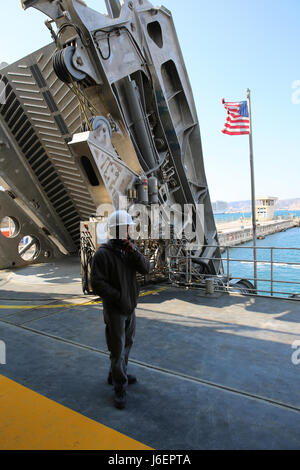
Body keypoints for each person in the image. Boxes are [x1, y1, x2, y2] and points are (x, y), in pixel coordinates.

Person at [91, 210, 151, 409]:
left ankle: (115, 374)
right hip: (116, 310)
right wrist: (119, 297)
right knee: (117, 349)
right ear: (116, 230)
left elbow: (146, 268)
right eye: (125, 228)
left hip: (130, 308)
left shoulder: (129, 252)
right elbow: (97, 284)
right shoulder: (102, 254)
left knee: (126, 345)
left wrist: (134, 251)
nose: (128, 232)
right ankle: (119, 388)